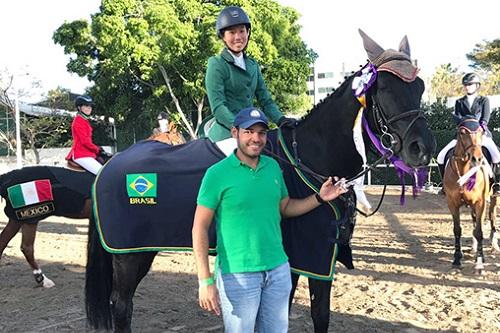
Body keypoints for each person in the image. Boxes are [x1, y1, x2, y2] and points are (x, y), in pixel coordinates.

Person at [192, 107, 348, 332]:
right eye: (249, 131)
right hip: (238, 274)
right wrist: (204, 280)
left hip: (278, 271)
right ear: (235, 132)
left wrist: (320, 198)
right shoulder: (217, 174)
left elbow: (285, 207)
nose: (256, 138)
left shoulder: (273, 168)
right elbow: (199, 227)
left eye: (261, 132)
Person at [204, 6, 295, 142]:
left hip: (251, 130)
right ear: (223, 36)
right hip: (227, 132)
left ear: (248, 33)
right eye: (232, 32)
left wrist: (280, 119)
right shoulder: (216, 64)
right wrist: (239, 127)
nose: (238, 37)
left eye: (242, 31)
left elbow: (265, 100)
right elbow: (218, 107)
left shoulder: (253, 65)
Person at [437, 73, 500, 194]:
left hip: (480, 134)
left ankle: (497, 184)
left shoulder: (484, 100)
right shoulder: (459, 102)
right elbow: (458, 119)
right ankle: (444, 185)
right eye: (465, 85)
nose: (467, 87)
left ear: (477, 86)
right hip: (463, 136)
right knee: (441, 156)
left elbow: (485, 118)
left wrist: (480, 128)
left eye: (470, 84)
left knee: (497, 155)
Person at [65, 95, 104, 175]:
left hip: (88, 153)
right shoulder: (78, 121)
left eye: (90, 106)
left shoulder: (84, 120)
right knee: (102, 174)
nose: (89, 108)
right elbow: (85, 142)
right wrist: (97, 149)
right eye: (86, 106)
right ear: (79, 108)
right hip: (81, 154)